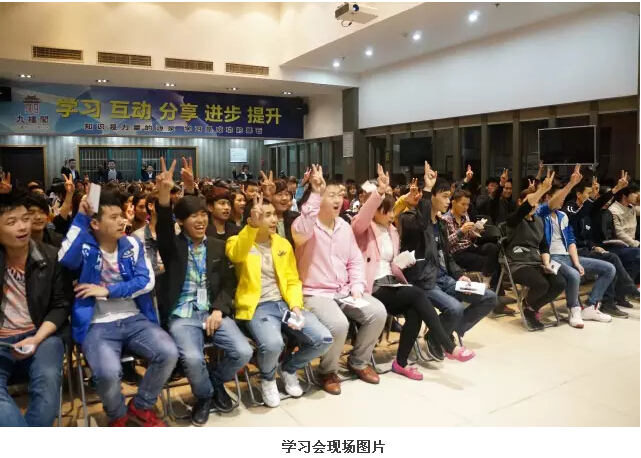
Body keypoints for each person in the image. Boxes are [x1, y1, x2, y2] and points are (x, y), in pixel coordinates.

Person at [58, 187, 178, 427]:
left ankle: (141, 406)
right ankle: (118, 415)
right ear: (95, 224)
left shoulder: (132, 243)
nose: (123, 221)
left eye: (121, 216)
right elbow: (64, 257)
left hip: (134, 317)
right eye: (114, 217)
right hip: (96, 323)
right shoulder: (85, 247)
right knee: (107, 372)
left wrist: (108, 290)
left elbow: (146, 281)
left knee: (168, 353)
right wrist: (81, 217)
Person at [352, 165, 475, 380]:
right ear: (376, 211)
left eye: (393, 211)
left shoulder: (391, 230)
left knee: (415, 311)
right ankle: (448, 345)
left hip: (392, 283)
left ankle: (400, 363)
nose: (392, 215)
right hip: (372, 286)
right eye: (387, 211)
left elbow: (393, 258)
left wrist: (402, 261)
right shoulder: (363, 229)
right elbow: (363, 218)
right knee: (417, 293)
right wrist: (379, 192)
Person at [154, 158, 252, 425]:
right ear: (180, 222)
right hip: (182, 314)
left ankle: (215, 381)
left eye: (203, 215)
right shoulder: (173, 247)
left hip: (212, 312)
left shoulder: (218, 246)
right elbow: (163, 228)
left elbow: (228, 283)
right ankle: (205, 395)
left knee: (243, 352)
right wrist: (164, 196)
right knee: (193, 357)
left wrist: (219, 309)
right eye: (193, 217)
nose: (199, 220)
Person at [226, 193, 332, 407]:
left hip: (284, 304)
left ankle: (289, 368)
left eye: (274, 214)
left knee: (323, 339)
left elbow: (292, 279)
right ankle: (267, 379)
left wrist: (296, 306)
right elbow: (236, 255)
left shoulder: (282, 244)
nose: (274, 219)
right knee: (273, 344)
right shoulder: (237, 241)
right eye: (267, 215)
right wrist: (252, 227)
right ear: (252, 218)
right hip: (257, 307)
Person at [292, 165, 387, 396]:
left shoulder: (344, 226)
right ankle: (327, 371)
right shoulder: (304, 225)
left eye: (339, 195)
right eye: (331, 195)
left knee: (378, 312)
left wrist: (357, 287)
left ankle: (358, 361)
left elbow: (355, 260)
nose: (337, 200)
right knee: (339, 324)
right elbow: (301, 230)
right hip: (315, 292)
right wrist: (316, 192)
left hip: (343, 290)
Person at [399, 162, 497, 359]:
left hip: (445, 279)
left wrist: (459, 275)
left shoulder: (441, 224)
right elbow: (421, 222)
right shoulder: (409, 219)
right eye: (444, 196)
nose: (448, 200)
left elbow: (447, 255)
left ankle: (444, 332)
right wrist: (427, 188)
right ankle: (438, 337)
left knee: (489, 297)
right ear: (431, 197)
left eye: (448, 196)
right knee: (455, 308)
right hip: (424, 282)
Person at [0, 188, 71, 427]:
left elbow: (61, 305)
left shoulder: (50, 257)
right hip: (2, 341)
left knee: (48, 380)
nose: (23, 227)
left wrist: (37, 338)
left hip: (42, 335)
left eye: (25, 219)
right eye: (12, 222)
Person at [536, 165, 615, 328]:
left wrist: (577, 262)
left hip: (567, 256)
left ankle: (591, 306)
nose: (563, 200)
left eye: (564, 197)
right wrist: (571, 184)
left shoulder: (563, 215)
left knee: (609, 268)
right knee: (573, 275)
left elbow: (571, 240)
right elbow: (548, 207)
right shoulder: (540, 213)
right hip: (551, 258)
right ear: (548, 197)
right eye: (560, 197)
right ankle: (574, 309)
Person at [565, 173, 639, 315]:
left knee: (617, 258)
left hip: (589, 248)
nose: (592, 196)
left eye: (593, 194)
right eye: (589, 194)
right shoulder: (570, 209)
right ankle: (626, 292)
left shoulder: (590, 211)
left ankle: (616, 296)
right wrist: (593, 246)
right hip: (574, 251)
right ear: (578, 194)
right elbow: (575, 231)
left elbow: (596, 207)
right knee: (611, 259)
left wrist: (616, 188)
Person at [504, 172, 567, 330]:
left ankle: (531, 307)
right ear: (520, 202)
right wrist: (542, 190)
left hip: (535, 261)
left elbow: (543, 245)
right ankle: (529, 307)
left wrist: (546, 263)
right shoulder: (514, 219)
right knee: (541, 284)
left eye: (537, 202)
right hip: (517, 263)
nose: (534, 205)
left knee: (559, 282)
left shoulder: (539, 221)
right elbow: (524, 208)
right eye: (531, 202)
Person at [442, 188, 516, 315]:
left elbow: (469, 238)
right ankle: (495, 298)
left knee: (492, 248)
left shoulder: (465, 216)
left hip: (470, 248)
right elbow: (445, 244)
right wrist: (461, 231)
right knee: (492, 264)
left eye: (467, 205)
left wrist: (475, 232)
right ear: (453, 202)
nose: (466, 208)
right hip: (456, 254)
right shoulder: (445, 219)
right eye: (463, 204)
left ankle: (488, 285)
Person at [608, 183, 640, 249]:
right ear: (624, 195)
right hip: (621, 246)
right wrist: (637, 244)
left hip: (633, 244)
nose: (637, 195)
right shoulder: (613, 210)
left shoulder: (632, 207)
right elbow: (619, 234)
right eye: (634, 193)